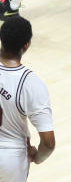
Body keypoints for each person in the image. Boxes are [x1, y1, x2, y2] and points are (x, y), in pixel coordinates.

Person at [0, 17, 55, 181]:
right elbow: (48, 143)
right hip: (10, 159)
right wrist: (37, 157)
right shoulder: (31, 84)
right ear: (27, 45)